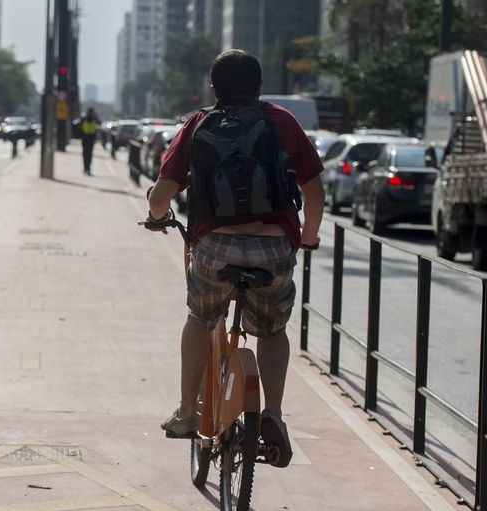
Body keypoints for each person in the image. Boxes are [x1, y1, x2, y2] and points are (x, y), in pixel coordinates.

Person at [144, 49, 325, 468]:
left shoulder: (198, 123)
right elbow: (314, 191)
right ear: (260, 88)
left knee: (200, 318)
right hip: (273, 247)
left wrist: (157, 219)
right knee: (273, 330)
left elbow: (161, 194)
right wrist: (307, 240)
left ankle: (189, 411)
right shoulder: (281, 121)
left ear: (213, 89)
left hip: (216, 246)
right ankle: (274, 414)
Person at [78, 108, 100, 175]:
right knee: (87, 154)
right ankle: (86, 168)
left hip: (88, 139)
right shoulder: (85, 119)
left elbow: (99, 123)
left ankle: (87, 168)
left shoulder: (90, 119)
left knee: (87, 154)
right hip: (87, 139)